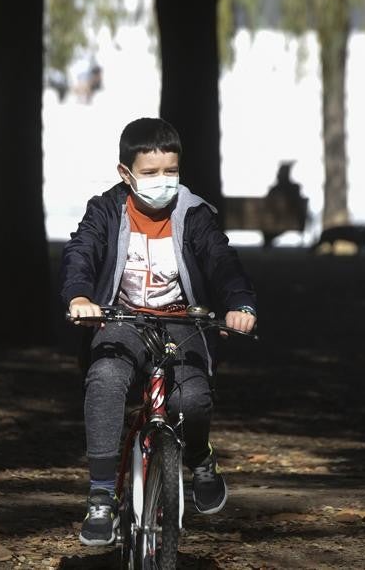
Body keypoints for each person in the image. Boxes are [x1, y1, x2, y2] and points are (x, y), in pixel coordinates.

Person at [62, 117, 258, 546]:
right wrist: (79, 297)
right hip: (121, 318)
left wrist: (239, 305)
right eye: (150, 174)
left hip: (181, 321)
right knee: (107, 378)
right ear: (125, 174)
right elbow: (82, 251)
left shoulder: (195, 214)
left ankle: (200, 457)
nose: (162, 181)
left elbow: (223, 263)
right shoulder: (105, 210)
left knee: (192, 399)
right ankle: (100, 496)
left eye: (171, 171)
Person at [262, 161, 306, 246]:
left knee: (269, 224)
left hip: (273, 225)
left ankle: (267, 242)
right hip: (292, 223)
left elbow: (266, 209)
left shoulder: (273, 190)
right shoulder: (295, 189)